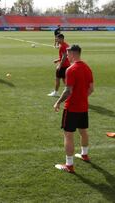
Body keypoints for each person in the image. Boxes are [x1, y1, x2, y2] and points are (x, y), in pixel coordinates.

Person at [53, 45, 94, 173]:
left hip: (71, 108)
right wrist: (82, 97)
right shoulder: (87, 68)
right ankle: (84, 154)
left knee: (68, 135)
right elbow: (91, 89)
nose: (67, 57)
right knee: (83, 131)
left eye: (68, 54)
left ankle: (69, 165)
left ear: (73, 54)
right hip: (83, 107)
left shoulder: (71, 69)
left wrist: (58, 102)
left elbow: (68, 91)